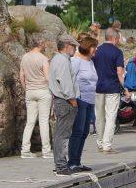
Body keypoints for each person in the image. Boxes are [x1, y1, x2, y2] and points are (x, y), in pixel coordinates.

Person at [92, 28, 126, 154]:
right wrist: (126, 88)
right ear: (114, 38)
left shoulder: (97, 51)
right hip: (112, 87)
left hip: (98, 87)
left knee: (99, 117)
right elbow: (119, 72)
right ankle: (107, 145)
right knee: (110, 117)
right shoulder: (117, 52)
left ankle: (100, 143)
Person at [48, 34, 78, 175]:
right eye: (74, 46)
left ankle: (61, 164)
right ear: (67, 45)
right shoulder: (62, 60)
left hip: (62, 100)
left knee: (62, 134)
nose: (75, 48)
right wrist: (72, 100)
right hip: (65, 101)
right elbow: (65, 82)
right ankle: (61, 166)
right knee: (62, 135)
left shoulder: (58, 59)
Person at [19, 38, 52, 159]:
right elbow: (48, 77)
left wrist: (26, 89)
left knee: (30, 121)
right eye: (43, 43)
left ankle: (25, 150)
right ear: (40, 44)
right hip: (43, 90)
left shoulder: (25, 57)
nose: (45, 45)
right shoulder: (43, 59)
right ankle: (46, 151)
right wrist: (52, 91)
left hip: (30, 91)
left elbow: (21, 76)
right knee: (43, 121)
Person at [68, 36, 98, 172]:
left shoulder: (90, 62)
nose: (95, 50)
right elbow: (69, 78)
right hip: (80, 99)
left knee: (85, 131)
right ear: (88, 47)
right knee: (78, 130)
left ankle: (78, 161)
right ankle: (72, 162)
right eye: (94, 47)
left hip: (90, 100)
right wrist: (72, 98)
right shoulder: (76, 61)